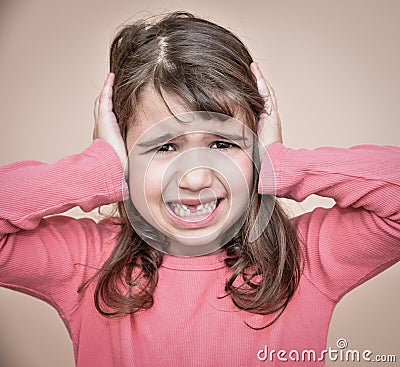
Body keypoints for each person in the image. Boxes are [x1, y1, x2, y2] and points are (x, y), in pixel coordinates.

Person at [1, 11, 399, 367]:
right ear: (124, 151)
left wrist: (282, 163)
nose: (195, 179)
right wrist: (98, 169)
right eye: (164, 146)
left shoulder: (307, 259)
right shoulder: (85, 263)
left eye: (223, 144)